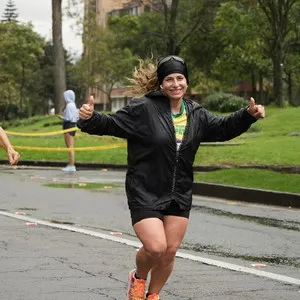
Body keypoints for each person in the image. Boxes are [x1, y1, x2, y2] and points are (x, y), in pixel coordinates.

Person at [77, 55, 265, 300]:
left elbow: (223, 128)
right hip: (145, 188)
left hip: (179, 191)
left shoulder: (196, 113)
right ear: (161, 84)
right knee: (156, 247)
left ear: (186, 81)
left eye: (180, 78)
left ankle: (153, 295)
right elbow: (112, 124)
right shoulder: (143, 109)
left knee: (169, 252)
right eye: (169, 79)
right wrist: (89, 118)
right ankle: (139, 277)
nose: (175, 84)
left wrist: (247, 114)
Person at [61, 90, 78, 172]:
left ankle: (71, 165)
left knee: (70, 146)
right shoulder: (73, 105)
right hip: (71, 125)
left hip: (69, 126)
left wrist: (62, 118)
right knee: (69, 146)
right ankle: (71, 164)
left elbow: (69, 118)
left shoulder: (69, 105)